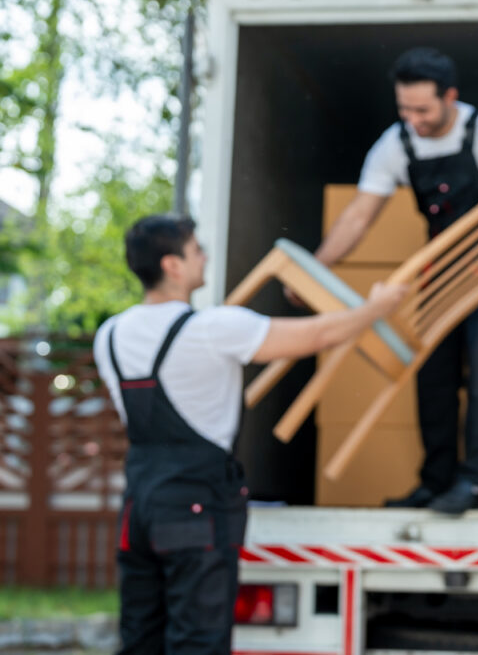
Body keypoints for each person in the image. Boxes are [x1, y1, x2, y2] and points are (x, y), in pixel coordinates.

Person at [94, 215, 406, 654]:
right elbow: (318, 334)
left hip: (139, 507)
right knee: (197, 642)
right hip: (195, 508)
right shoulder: (211, 329)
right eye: (195, 249)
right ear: (173, 266)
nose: (204, 255)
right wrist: (377, 307)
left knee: (140, 639)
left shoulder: (109, 335)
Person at [307, 47, 478, 514]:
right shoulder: (395, 144)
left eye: (422, 110)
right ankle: (435, 481)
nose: (413, 119)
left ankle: (472, 484)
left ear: (450, 97)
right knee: (432, 376)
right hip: (438, 270)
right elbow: (359, 216)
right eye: (405, 109)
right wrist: (318, 267)